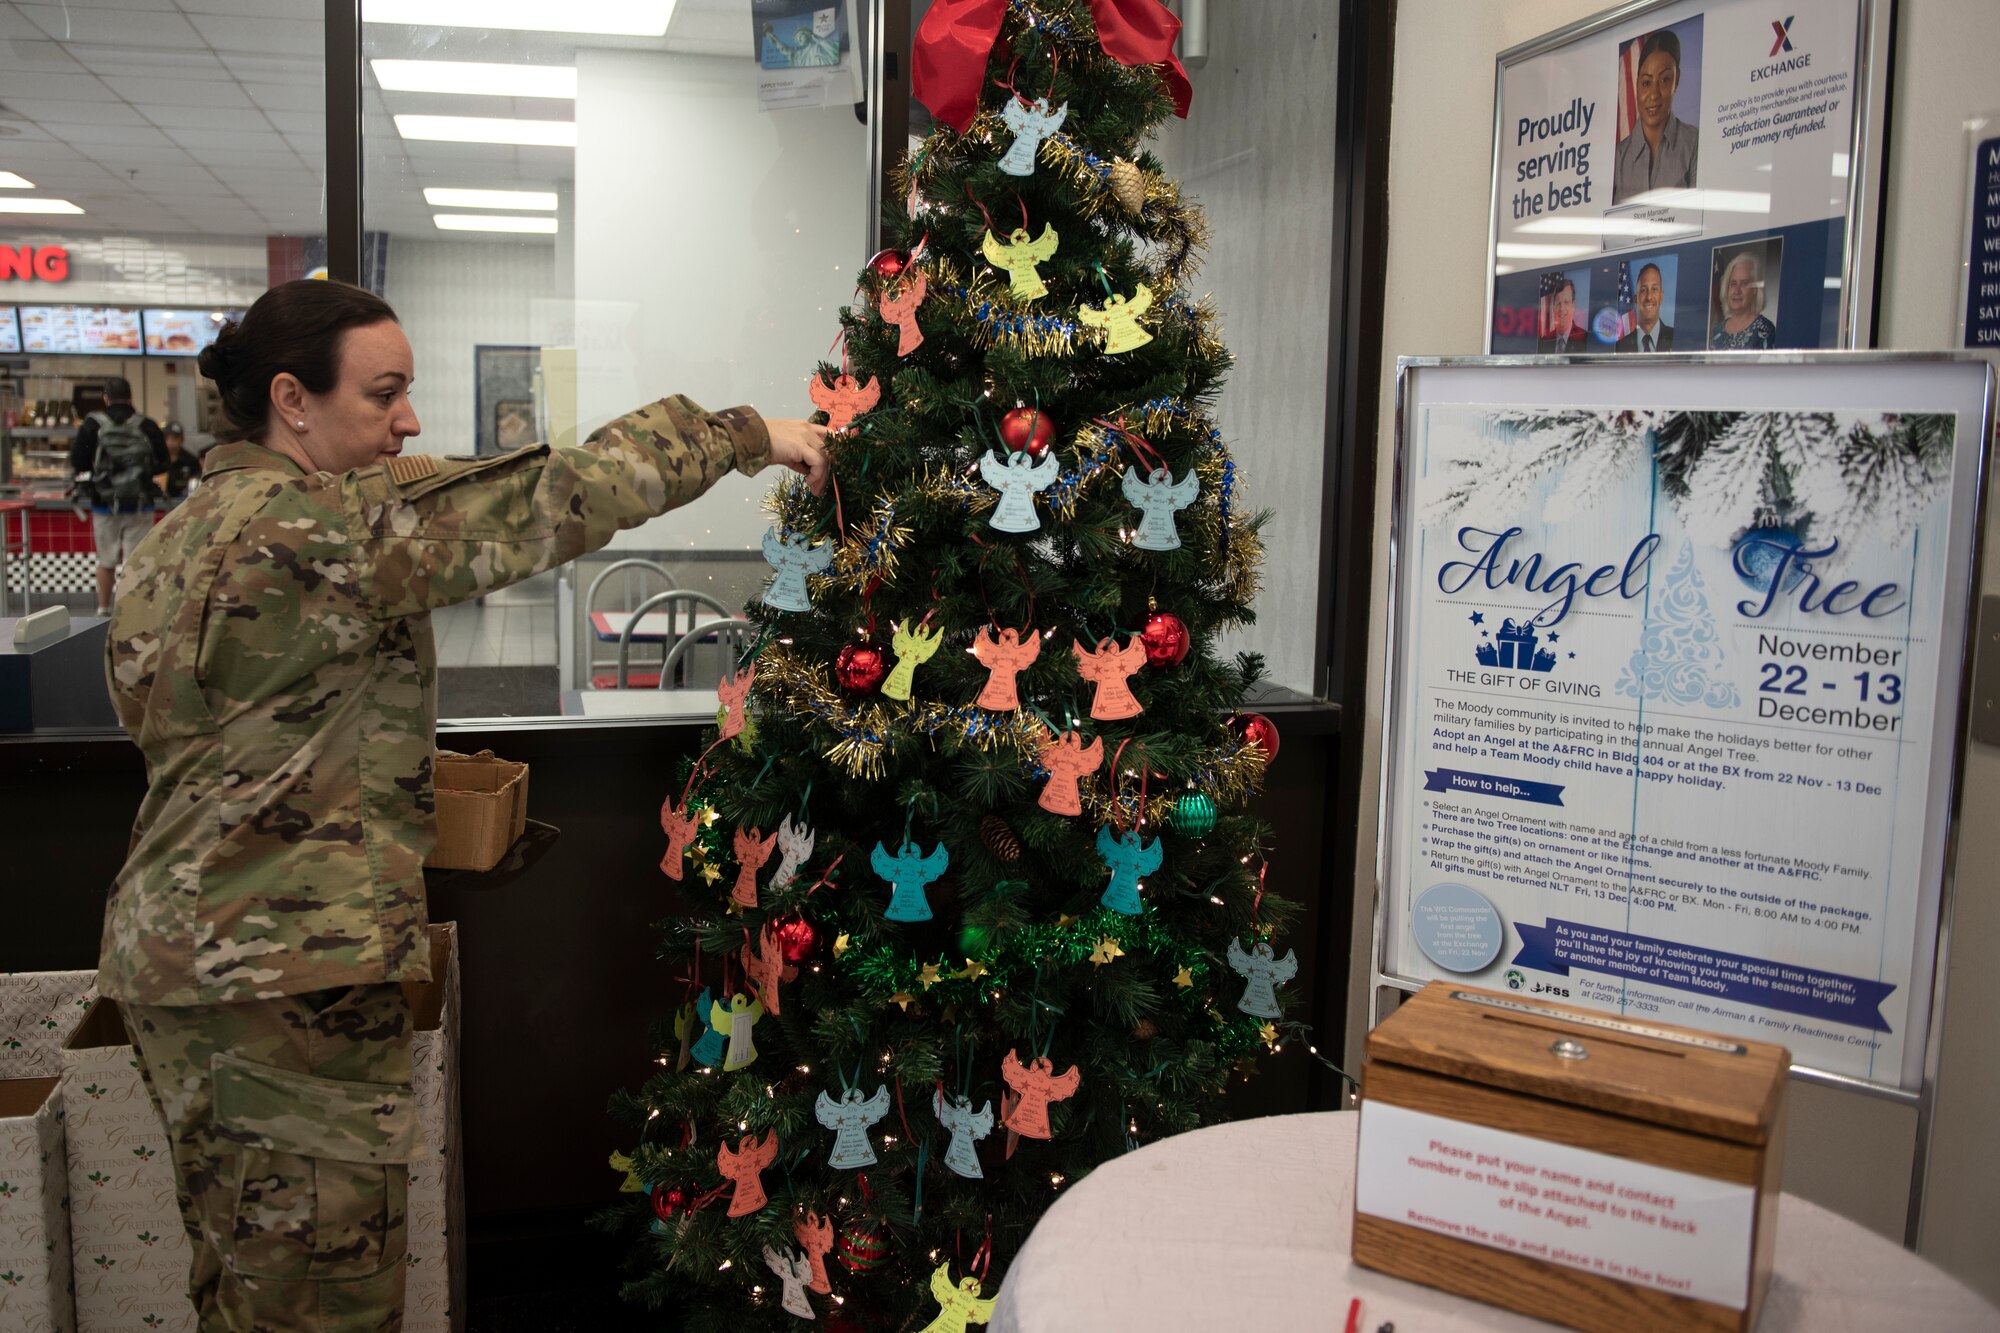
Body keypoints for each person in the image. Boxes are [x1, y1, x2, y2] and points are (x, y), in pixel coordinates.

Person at [98, 279, 828, 1332]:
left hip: (186, 962)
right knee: (323, 1304)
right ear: (292, 399)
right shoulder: (316, 533)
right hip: (283, 983)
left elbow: (228, 742)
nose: (409, 419)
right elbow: (550, 496)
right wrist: (745, 433)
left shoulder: (181, 536)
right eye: (384, 392)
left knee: (247, 1281)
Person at [69, 374, 167, 615]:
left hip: (104, 504)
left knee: (106, 560)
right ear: (131, 397)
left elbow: (78, 462)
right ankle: (135, 610)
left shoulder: (93, 424)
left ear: (106, 398)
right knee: (138, 560)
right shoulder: (147, 425)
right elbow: (163, 463)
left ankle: (103, 608)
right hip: (140, 504)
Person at [1611, 29, 1698, 205]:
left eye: (1665, 80)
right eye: (1646, 83)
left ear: (1677, 80)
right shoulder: (1617, 158)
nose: (1654, 94)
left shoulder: (1694, 144)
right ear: (1637, 85)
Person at [1709, 250, 1776, 349]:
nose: (1736, 291)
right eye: (1733, 283)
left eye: (1744, 283)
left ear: (1754, 290)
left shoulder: (1765, 329)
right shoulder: (1717, 331)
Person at [1614, 262, 1674, 352]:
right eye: (1643, 290)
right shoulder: (1620, 346)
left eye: (1654, 289)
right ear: (1635, 299)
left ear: (1661, 296)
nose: (1649, 297)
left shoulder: (1676, 338)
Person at [154, 420, 202, 508]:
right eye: (167, 438)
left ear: (182, 440)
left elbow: (197, 481)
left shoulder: (190, 460)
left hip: (185, 504)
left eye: (175, 438)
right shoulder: (156, 460)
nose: (170, 443)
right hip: (160, 504)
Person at [1535, 277, 1588, 352]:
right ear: (1553, 307)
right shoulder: (1544, 342)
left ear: (1573, 305)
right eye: (1558, 303)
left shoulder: (1585, 339)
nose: (1561, 308)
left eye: (1566, 302)